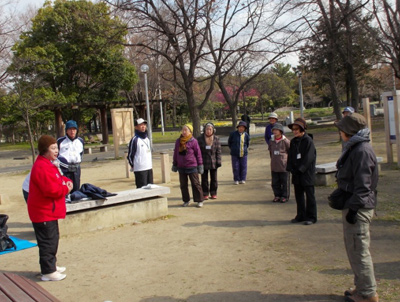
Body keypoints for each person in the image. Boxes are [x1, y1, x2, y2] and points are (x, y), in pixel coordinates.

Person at [334, 113, 379, 302]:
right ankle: (361, 286)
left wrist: (353, 209)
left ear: (350, 132)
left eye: (342, 130)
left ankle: (368, 293)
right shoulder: (355, 147)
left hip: (358, 207)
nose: (340, 133)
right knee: (353, 249)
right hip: (352, 203)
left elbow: (363, 185)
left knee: (359, 250)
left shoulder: (361, 151)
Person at [28, 135, 73, 281]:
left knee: (53, 238)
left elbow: (60, 179)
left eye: (56, 148)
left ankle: (51, 265)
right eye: (53, 148)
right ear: (44, 150)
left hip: (49, 211)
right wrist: (65, 189)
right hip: (43, 212)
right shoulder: (41, 166)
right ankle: (48, 272)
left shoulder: (50, 164)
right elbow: (51, 190)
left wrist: (67, 183)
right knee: (47, 241)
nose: (56, 151)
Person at [286, 118, 317, 225]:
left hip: (306, 173)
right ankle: (301, 215)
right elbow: (290, 156)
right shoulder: (293, 141)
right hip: (296, 173)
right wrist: (290, 167)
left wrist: (301, 169)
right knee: (299, 196)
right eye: (293, 129)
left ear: (302, 129)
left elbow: (309, 158)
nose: (295, 131)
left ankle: (311, 217)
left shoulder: (308, 141)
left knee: (310, 196)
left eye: (297, 129)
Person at [172, 124, 204, 208]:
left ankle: (199, 200)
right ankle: (186, 200)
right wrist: (175, 163)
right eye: (183, 130)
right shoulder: (178, 141)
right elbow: (175, 153)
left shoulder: (194, 141)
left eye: (186, 130)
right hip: (181, 167)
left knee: (195, 184)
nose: (184, 132)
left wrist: (200, 165)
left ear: (190, 131)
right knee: (183, 185)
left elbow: (198, 154)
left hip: (192, 166)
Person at [57, 120, 84, 192]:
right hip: (65, 169)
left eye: (74, 129)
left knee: (76, 189)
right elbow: (56, 155)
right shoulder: (60, 141)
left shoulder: (80, 141)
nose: (72, 131)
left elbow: (81, 154)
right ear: (66, 131)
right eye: (70, 129)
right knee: (65, 188)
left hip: (76, 168)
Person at [197, 122, 222, 200]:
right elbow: (198, 152)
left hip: (213, 162)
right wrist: (198, 162)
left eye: (210, 129)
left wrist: (218, 161)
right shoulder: (200, 139)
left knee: (214, 179)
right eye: (207, 129)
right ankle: (205, 193)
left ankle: (213, 193)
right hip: (203, 162)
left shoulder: (216, 139)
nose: (208, 131)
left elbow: (218, 151)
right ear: (204, 130)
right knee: (204, 179)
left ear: (213, 130)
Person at [127, 118, 153, 188]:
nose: (143, 126)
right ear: (136, 127)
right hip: (140, 169)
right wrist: (133, 165)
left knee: (151, 188)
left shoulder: (147, 139)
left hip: (149, 167)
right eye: (141, 125)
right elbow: (130, 156)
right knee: (142, 189)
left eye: (144, 124)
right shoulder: (134, 140)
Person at [269, 123, 290, 203]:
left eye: (276, 130)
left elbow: (289, 151)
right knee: (275, 182)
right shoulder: (271, 141)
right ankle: (277, 195)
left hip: (284, 166)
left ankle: (284, 196)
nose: (275, 132)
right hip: (274, 165)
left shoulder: (286, 141)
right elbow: (270, 151)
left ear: (281, 131)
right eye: (273, 130)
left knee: (284, 182)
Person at [228, 121, 250, 185]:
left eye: (242, 127)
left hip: (243, 153)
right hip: (235, 154)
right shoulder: (233, 134)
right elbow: (229, 143)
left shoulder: (246, 135)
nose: (241, 128)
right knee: (236, 167)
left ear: (244, 128)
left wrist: (244, 149)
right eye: (240, 127)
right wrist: (233, 149)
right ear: (238, 128)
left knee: (243, 166)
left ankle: (242, 179)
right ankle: (236, 179)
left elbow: (247, 143)